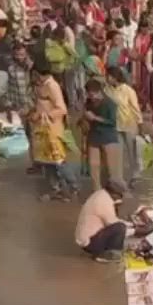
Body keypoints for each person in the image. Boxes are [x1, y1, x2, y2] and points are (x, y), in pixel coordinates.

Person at [31, 60, 77, 201]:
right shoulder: (40, 86)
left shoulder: (52, 86)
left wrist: (46, 115)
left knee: (59, 161)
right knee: (47, 162)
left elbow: (61, 109)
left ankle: (73, 186)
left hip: (53, 130)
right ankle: (55, 189)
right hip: (42, 129)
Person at [74, 180, 129, 262]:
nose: (121, 198)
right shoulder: (103, 202)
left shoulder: (100, 194)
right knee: (120, 228)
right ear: (114, 193)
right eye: (120, 195)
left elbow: (112, 219)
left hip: (86, 238)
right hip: (89, 243)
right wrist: (136, 230)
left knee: (121, 227)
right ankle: (107, 255)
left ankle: (105, 251)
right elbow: (114, 223)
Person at [105, 67, 143, 186]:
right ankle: (119, 179)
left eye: (109, 76)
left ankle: (135, 176)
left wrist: (140, 124)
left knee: (133, 152)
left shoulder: (128, 90)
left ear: (115, 77)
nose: (107, 78)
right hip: (115, 126)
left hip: (129, 124)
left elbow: (135, 108)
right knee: (118, 153)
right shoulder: (107, 90)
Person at [82, 79, 122, 192]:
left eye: (93, 94)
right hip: (93, 136)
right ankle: (97, 191)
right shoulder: (88, 103)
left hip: (108, 136)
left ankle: (114, 192)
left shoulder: (110, 104)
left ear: (100, 91)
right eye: (89, 95)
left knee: (111, 169)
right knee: (93, 166)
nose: (92, 97)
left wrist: (95, 118)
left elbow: (112, 122)